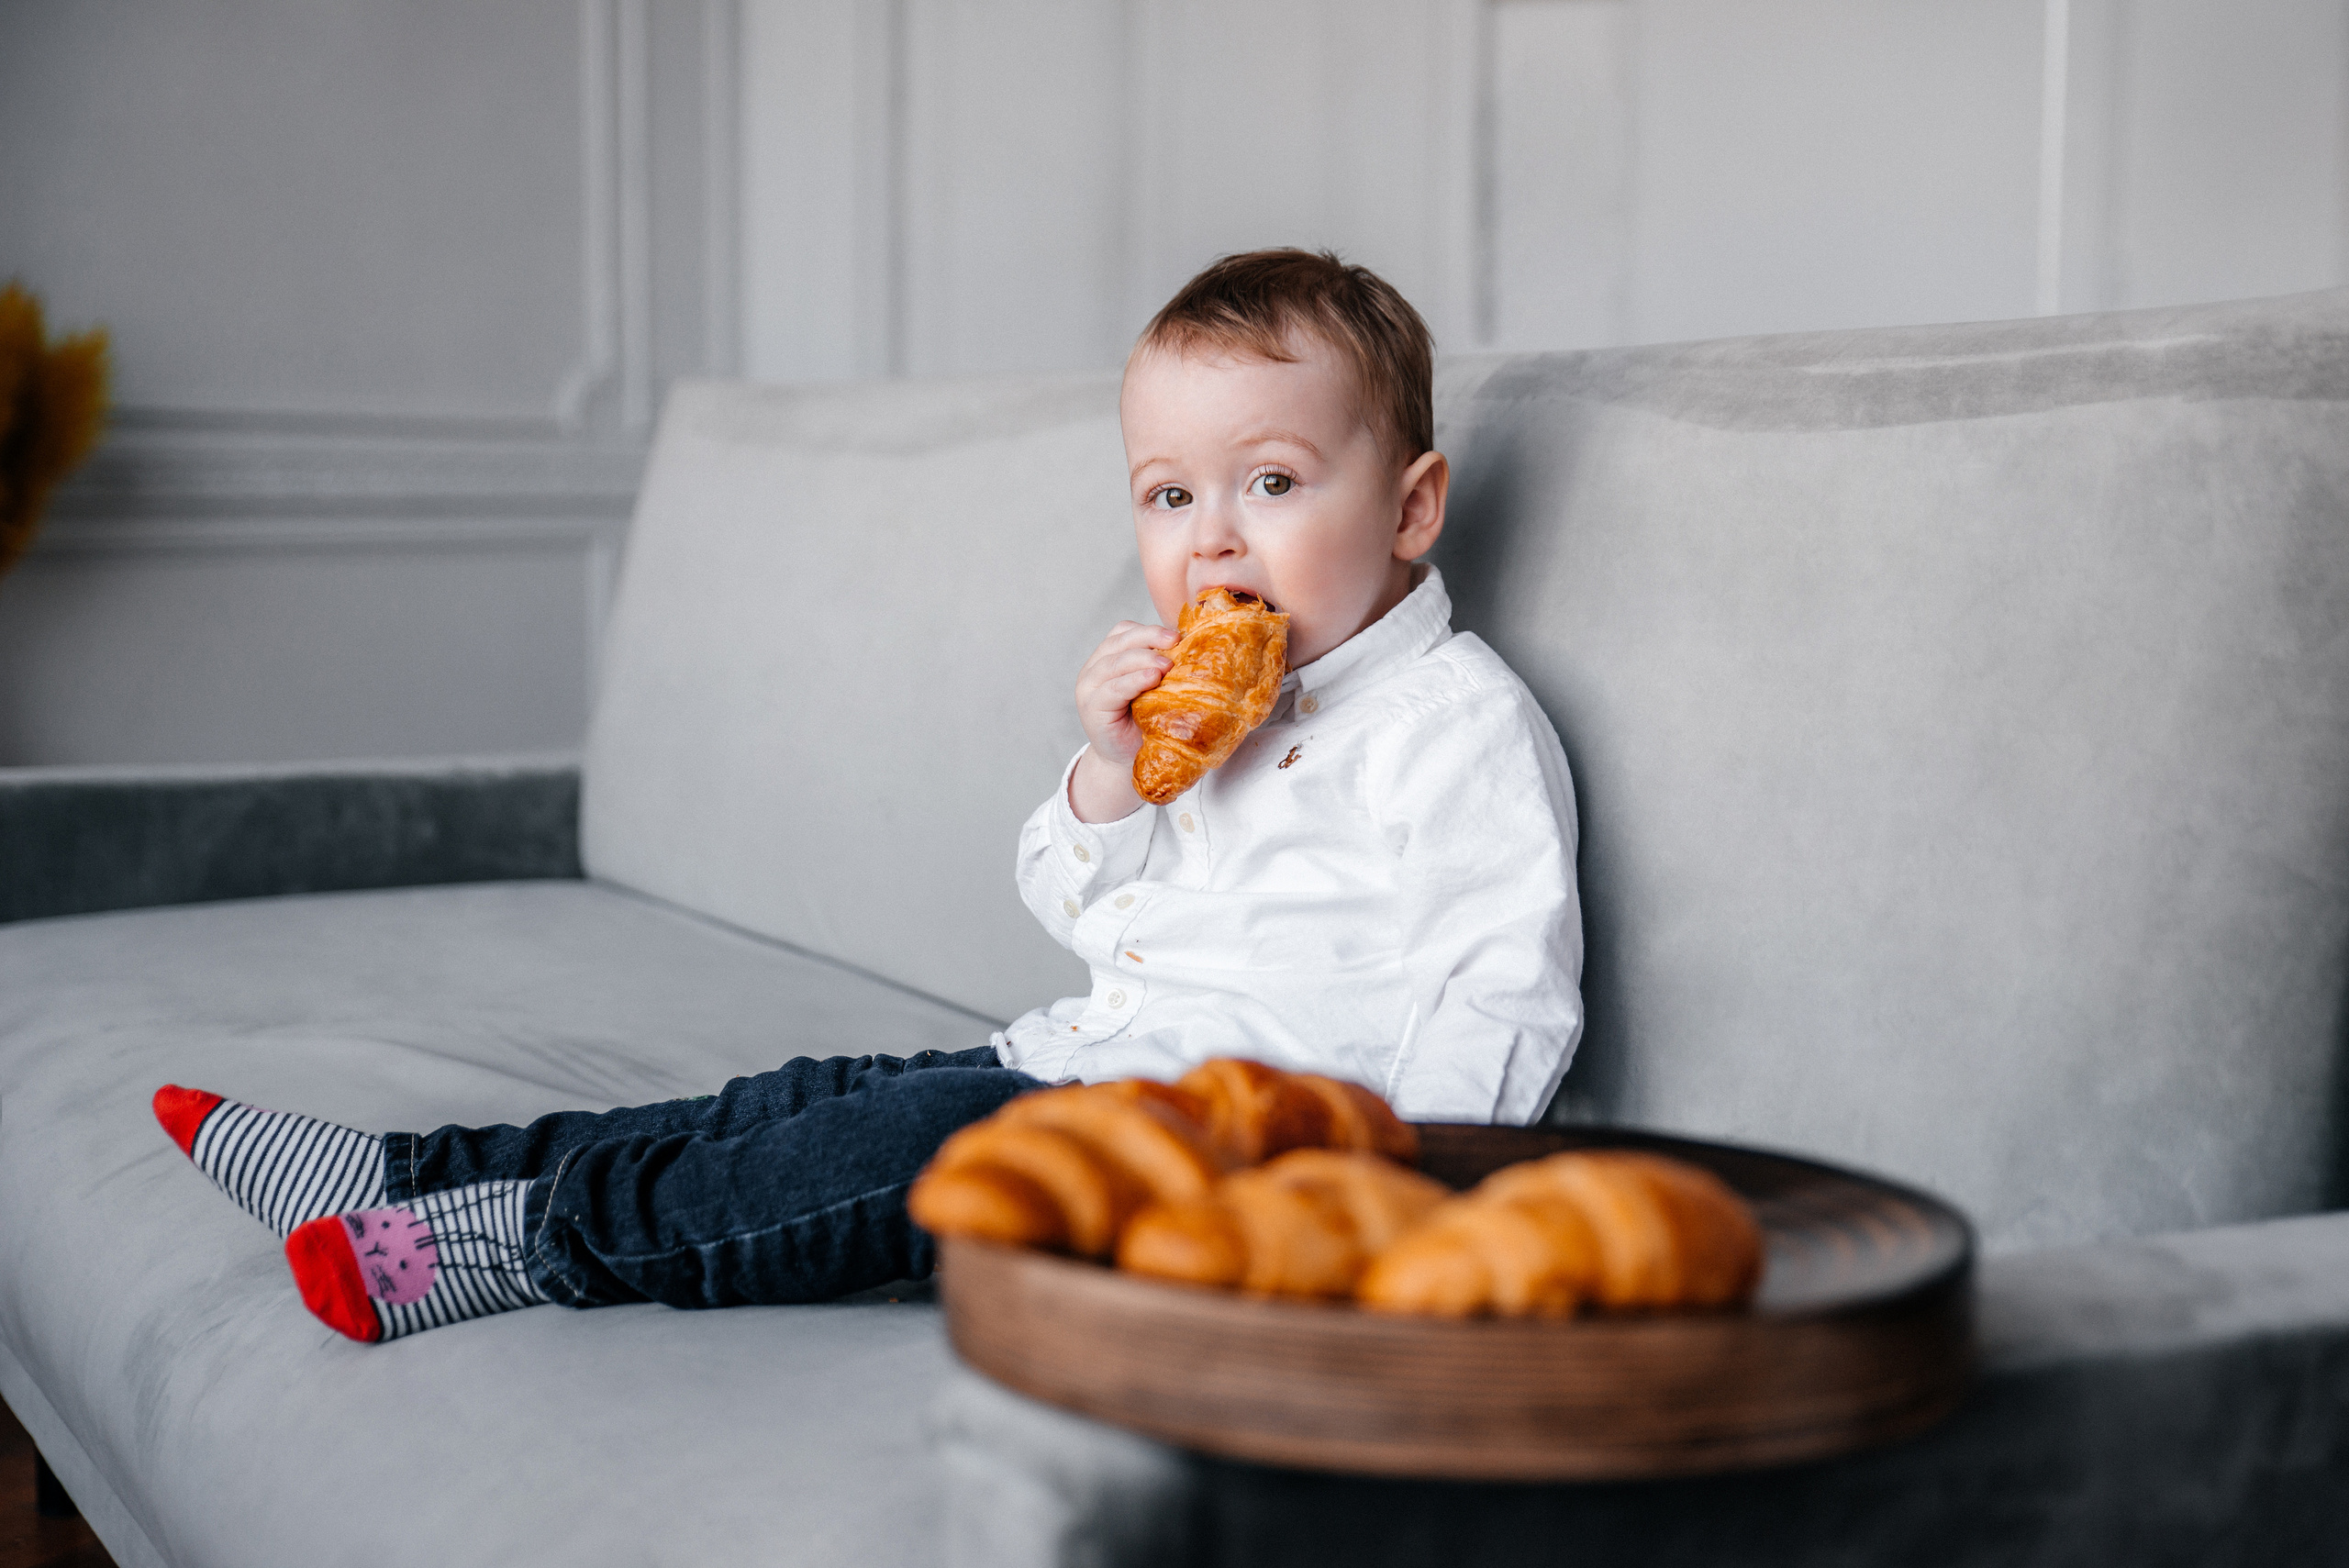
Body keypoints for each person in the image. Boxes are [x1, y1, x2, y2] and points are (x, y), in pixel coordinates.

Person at [150, 249, 1585, 1344]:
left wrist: (1404, 1209)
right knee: (799, 1103)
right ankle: (416, 1168)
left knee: (861, 1165)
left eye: (1269, 482)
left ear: (1410, 507)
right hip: (1063, 1065)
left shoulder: (1450, 726)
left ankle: (522, 1243)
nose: (1211, 541)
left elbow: (1503, 988)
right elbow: (1083, 910)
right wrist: (1106, 771)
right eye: (1168, 495)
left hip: (1205, 1161)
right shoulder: (1193, 713)